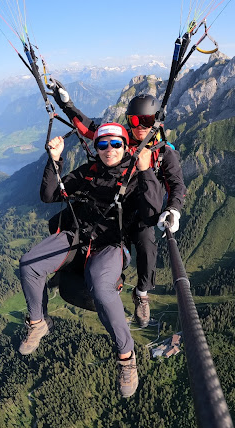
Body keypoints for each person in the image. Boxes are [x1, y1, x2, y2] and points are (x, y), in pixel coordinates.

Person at [18, 123, 161, 398]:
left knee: (100, 285)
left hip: (111, 244)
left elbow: (152, 214)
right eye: (103, 145)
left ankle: (126, 357)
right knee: (29, 264)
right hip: (77, 236)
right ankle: (38, 323)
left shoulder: (135, 173)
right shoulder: (89, 172)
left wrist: (145, 172)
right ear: (96, 149)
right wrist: (54, 160)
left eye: (116, 144)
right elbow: (49, 195)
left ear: (125, 145)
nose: (109, 150)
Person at [48, 81, 185, 327]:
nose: (141, 127)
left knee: (146, 244)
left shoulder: (164, 153)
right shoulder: (120, 139)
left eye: (147, 120)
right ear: (129, 121)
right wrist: (66, 104)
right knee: (78, 226)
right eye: (135, 121)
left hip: (141, 212)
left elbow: (176, 185)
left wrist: (173, 208)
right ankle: (73, 269)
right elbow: (89, 128)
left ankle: (142, 293)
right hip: (111, 210)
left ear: (157, 121)